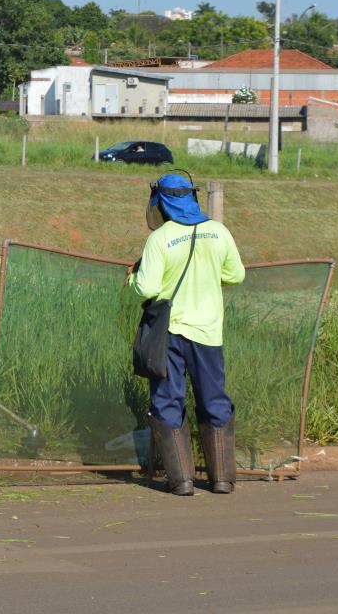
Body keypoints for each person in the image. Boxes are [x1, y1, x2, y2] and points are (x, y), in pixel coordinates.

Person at [129, 173, 245, 495]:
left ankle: (181, 481)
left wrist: (133, 279)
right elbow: (235, 275)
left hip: (170, 333)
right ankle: (221, 479)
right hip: (208, 332)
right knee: (213, 397)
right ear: (192, 198)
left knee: (168, 398)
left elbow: (148, 287)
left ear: (161, 202)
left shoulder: (160, 239)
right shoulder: (219, 232)